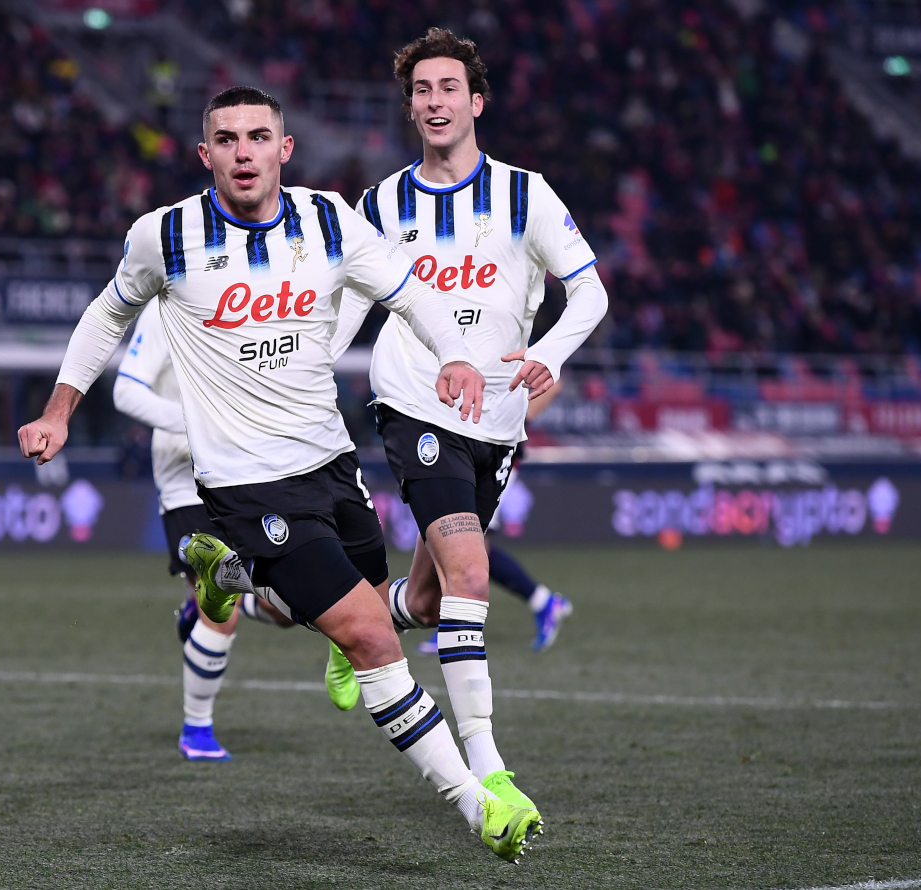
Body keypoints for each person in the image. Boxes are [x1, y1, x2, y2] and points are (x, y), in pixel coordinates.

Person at [19, 85, 542, 861]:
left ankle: (225, 580)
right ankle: (476, 803)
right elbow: (106, 315)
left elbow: (408, 288)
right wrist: (60, 408)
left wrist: (455, 353)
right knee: (370, 635)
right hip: (244, 487)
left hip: (332, 466)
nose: (242, 151)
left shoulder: (330, 220)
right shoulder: (165, 236)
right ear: (206, 155)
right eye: (225, 139)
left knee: (360, 598)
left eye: (257, 136)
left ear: (283, 150)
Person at [331, 29, 608, 815]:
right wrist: (302, 377)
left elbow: (590, 293)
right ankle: (487, 768)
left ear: (476, 101)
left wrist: (550, 353)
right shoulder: (381, 203)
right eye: (422, 91)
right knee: (473, 574)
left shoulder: (525, 193)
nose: (435, 102)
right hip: (413, 405)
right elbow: (345, 313)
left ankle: (356, 623)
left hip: (498, 419)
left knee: (426, 601)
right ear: (411, 105)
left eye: (449, 88)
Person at [113, 307, 308, 761]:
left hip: (246, 473)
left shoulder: (246, 303)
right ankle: (196, 729)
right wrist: (196, 420)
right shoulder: (166, 313)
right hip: (185, 483)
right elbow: (126, 392)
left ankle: (199, 605)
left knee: (286, 609)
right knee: (222, 616)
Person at [415, 382, 574, 655]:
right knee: (471, 546)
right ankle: (544, 603)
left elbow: (554, 383)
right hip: (470, 449)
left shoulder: (513, 345)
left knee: (457, 540)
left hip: (495, 455)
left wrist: (517, 420)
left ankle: (454, 626)